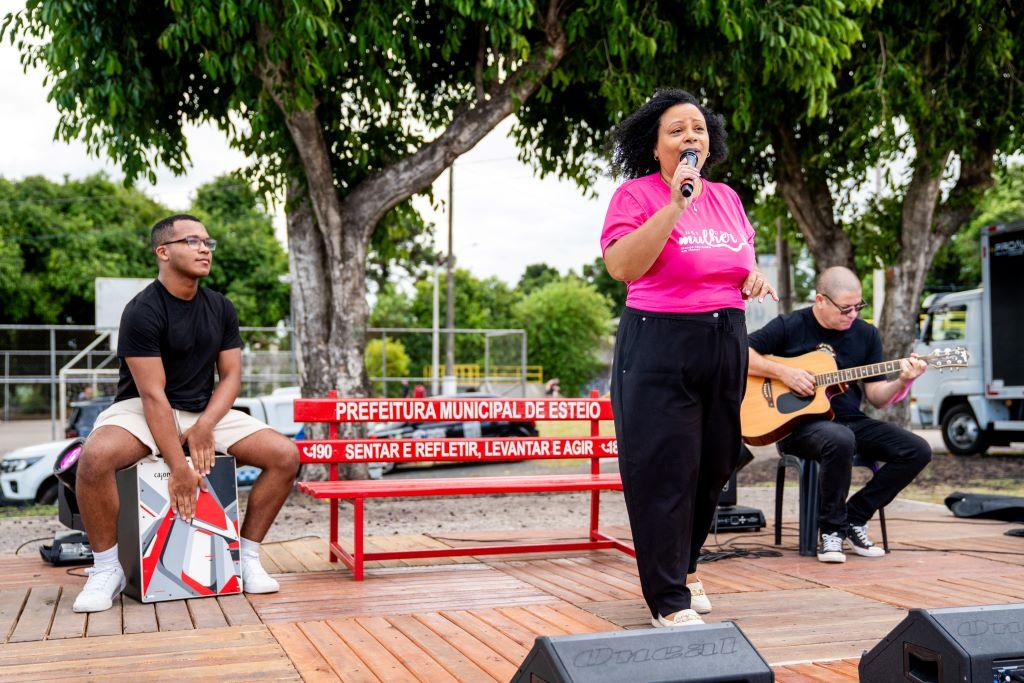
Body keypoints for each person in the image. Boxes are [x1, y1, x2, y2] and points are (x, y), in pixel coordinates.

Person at [601, 89, 777, 628]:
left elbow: (738, 262)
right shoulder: (635, 196)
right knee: (666, 470)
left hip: (725, 337)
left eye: (697, 128)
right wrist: (676, 204)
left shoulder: (727, 198)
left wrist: (752, 277)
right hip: (659, 340)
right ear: (655, 147)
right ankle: (667, 598)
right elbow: (622, 267)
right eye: (676, 130)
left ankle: (686, 564)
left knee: (717, 463)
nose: (689, 137)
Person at [72, 214, 299, 613]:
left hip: (201, 409)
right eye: (192, 241)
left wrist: (206, 425)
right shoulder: (141, 310)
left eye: (208, 242)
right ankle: (107, 569)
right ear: (163, 252)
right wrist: (179, 467)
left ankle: (245, 557)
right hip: (142, 408)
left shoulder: (221, 307)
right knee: (95, 457)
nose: (204, 249)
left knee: (285, 455)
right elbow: (152, 394)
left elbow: (231, 377)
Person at [747, 266, 931, 563]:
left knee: (916, 450)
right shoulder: (790, 325)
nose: (853, 314)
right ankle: (831, 530)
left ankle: (855, 517)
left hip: (849, 421)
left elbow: (877, 397)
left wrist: (903, 382)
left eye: (859, 306)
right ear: (820, 300)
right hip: (798, 427)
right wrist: (784, 372)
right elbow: (740, 352)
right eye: (846, 308)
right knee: (840, 438)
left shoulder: (866, 334)